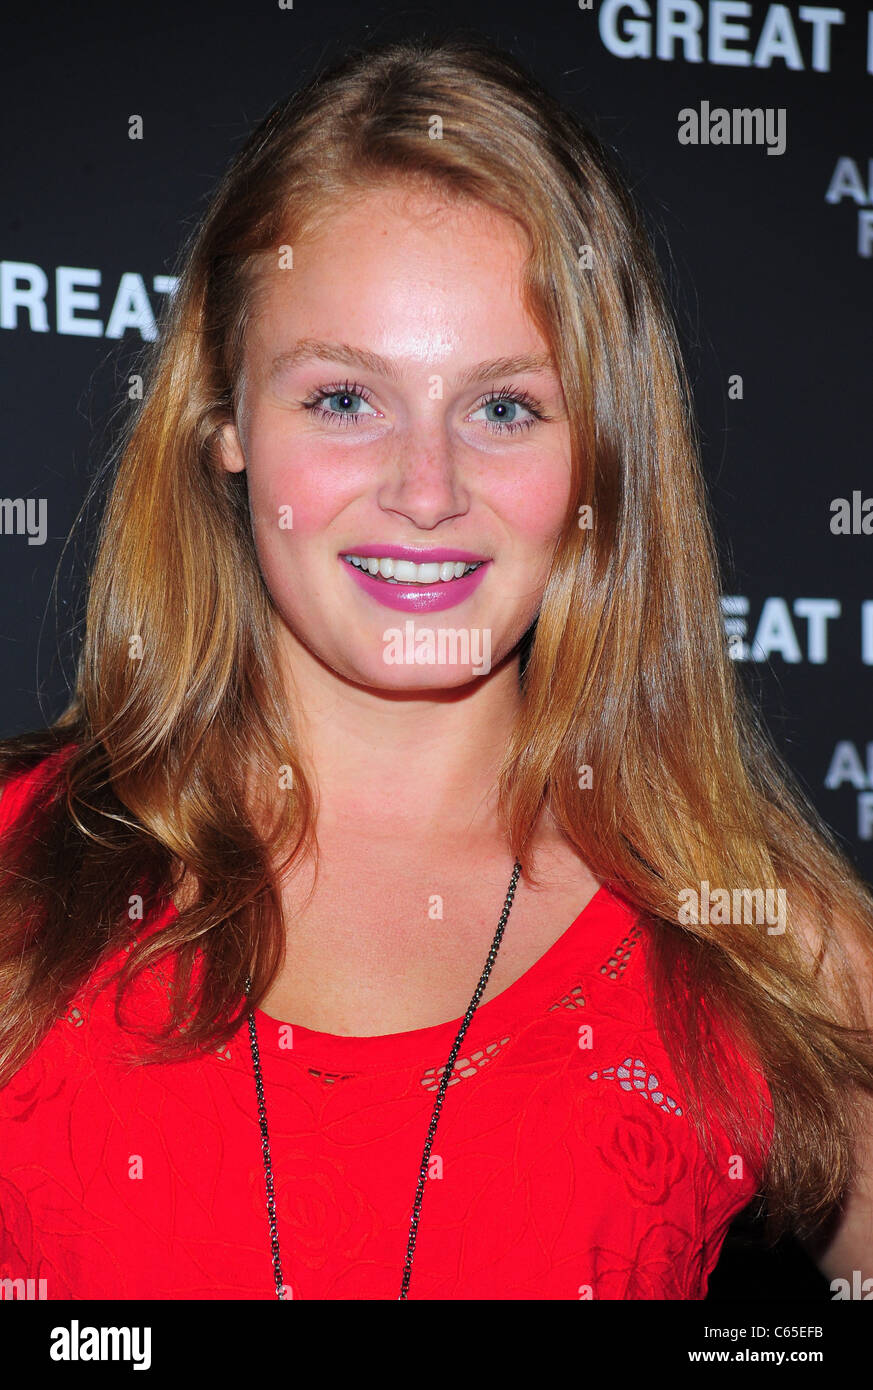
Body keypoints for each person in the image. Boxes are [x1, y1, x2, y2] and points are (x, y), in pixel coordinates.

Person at [0, 35, 871, 1302]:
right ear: (225, 418)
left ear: (603, 452)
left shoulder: (763, 945)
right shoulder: (15, 879)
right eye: (344, 399)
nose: (426, 490)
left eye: (504, 407)